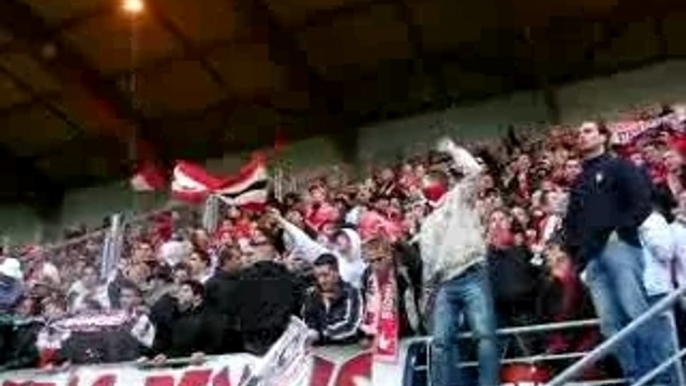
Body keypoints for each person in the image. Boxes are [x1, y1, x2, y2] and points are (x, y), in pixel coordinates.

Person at [563, 121, 672, 383]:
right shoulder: (578, 181)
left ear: (603, 137)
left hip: (619, 248)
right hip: (594, 260)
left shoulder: (619, 166)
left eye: (588, 130)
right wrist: (581, 258)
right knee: (611, 327)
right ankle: (637, 379)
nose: (581, 135)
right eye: (579, 132)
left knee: (636, 314)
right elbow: (572, 223)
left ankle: (663, 380)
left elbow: (642, 201)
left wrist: (619, 232)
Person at [420, 137, 499, 386]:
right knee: (441, 342)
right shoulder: (426, 224)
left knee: (484, 335)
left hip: (472, 273)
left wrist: (454, 150)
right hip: (445, 283)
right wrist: (427, 291)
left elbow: (475, 171)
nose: (427, 185)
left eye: (430, 181)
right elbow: (428, 262)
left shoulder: (459, 197)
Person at [303, 254, 363, 345]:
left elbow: (349, 326)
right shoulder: (312, 294)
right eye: (318, 276)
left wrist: (322, 333)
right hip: (320, 351)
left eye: (325, 275)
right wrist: (312, 332)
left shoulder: (352, 293)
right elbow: (308, 320)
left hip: (347, 350)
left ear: (337, 273)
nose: (321, 281)